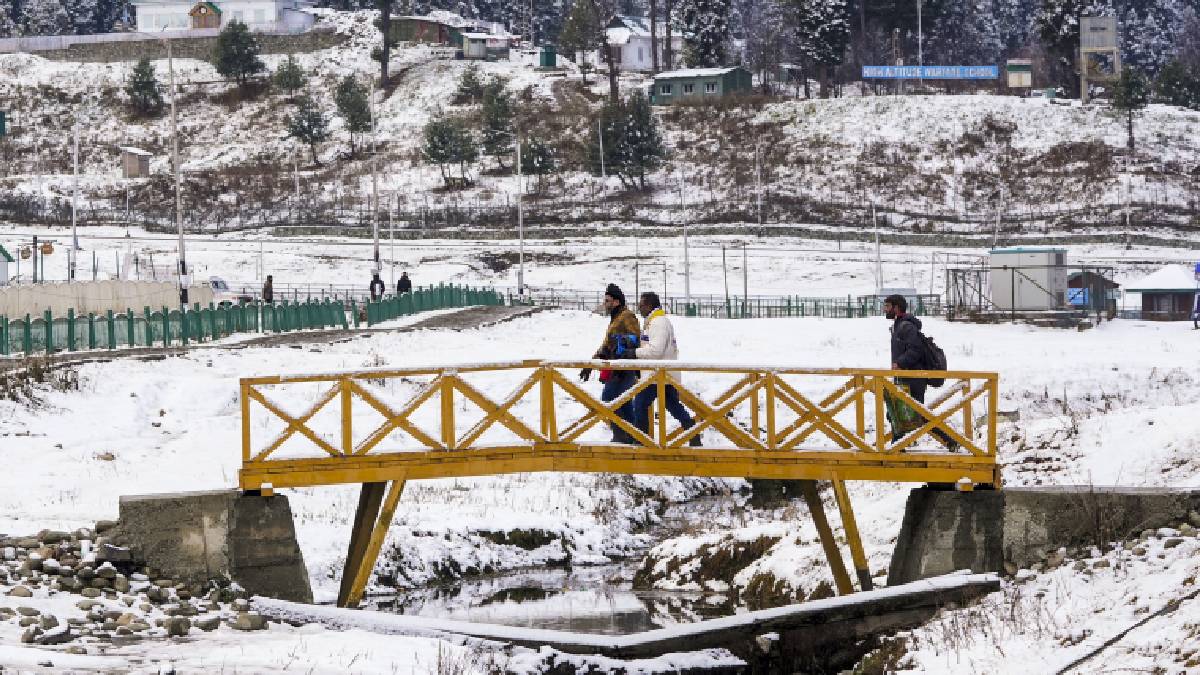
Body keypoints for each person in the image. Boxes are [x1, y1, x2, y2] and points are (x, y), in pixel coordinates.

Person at [884, 294, 957, 450]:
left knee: (918, 414)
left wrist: (899, 363)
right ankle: (897, 446)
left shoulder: (907, 327)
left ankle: (950, 441)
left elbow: (915, 350)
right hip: (904, 376)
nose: (885, 309)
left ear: (896, 308)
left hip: (914, 378)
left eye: (888, 306)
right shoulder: (899, 325)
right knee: (895, 413)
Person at [631, 292, 701, 447]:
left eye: (641, 305)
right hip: (663, 374)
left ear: (649, 306)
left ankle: (641, 440)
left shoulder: (658, 323)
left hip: (657, 375)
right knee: (673, 406)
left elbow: (656, 351)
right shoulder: (657, 322)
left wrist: (634, 353)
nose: (639, 309)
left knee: (640, 404)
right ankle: (693, 434)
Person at [579, 284, 641, 443]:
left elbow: (635, 338)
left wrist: (622, 348)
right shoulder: (616, 318)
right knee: (623, 402)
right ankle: (630, 436)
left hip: (624, 368)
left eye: (607, 301)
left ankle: (622, 435)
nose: (605, 304)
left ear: (616, 302)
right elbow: (606, 345)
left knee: (609, 398)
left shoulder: (627, 316)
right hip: (616, 367)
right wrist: (590, 364)